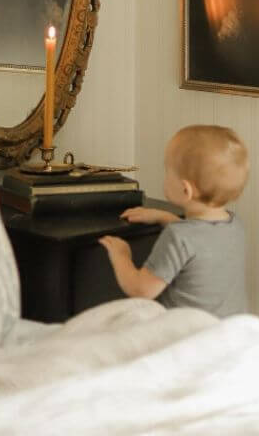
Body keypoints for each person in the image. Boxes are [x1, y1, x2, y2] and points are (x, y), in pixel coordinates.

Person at [98, 125, 249, 318]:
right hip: (225, 330)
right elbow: (199, 240)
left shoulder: (177, 236)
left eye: (168, 170)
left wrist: (121, 255)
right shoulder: (235, 226)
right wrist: (162, 216)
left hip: (186, 333)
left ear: (186, 189)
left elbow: (141, 290)